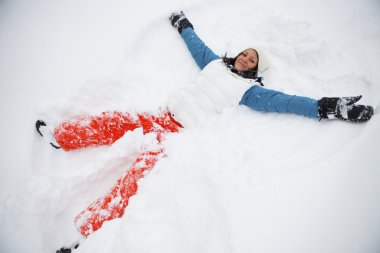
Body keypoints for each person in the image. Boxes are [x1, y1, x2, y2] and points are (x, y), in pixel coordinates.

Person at [38, 11, 374, 252]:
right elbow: (196, 45)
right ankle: (62, 136)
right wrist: (184, 24)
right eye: (244, 53)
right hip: (160, 116)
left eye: (251, 59)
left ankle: (87, 232)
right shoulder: (213, 63)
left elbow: (286, 102)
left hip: (176, 134)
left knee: (132, 182)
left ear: (257, 69)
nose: (244, 59)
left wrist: (327, 107)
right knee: (114, 120)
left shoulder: (250, 92)